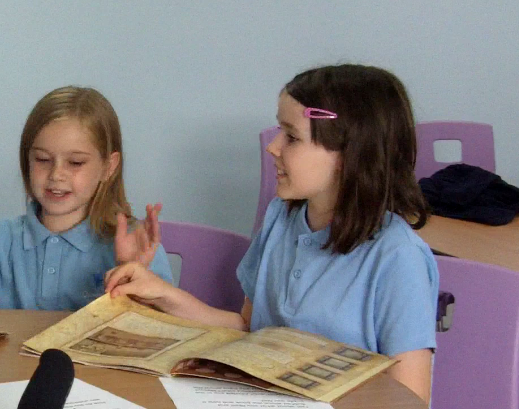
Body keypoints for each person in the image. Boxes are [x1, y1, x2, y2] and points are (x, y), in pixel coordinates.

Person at [105, 64, 437, 403]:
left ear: (351, 154)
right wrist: (161, 294)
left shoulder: (398, 257)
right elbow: (247, 329)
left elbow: (410, 399)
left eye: (291, 137)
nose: (273, 147)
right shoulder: (280, 218)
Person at [0, 86, 173, 311]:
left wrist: (130, 271)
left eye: (75, 162)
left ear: (108, 168)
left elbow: (162, 334)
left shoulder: (134, 243)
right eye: (42, 159)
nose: (56, 175)